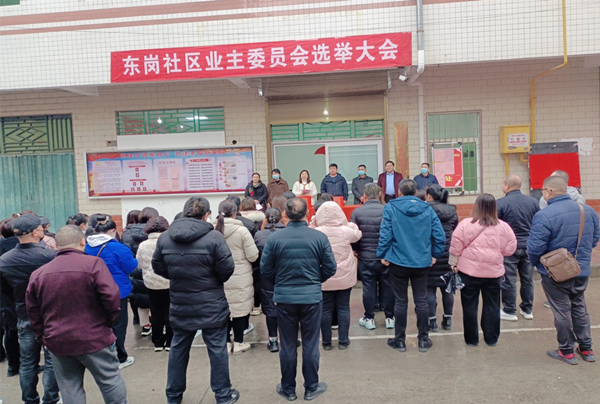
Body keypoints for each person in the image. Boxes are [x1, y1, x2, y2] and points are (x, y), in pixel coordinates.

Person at [25, 225, 127, 404]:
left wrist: (42, 337)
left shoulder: (38, 274)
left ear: (56, 245)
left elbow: (33, 311)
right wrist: (108, 322)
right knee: (109, 379)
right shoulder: (93, 264)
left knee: (69, 386)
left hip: (58, 339)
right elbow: (111, 297)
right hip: (94, 336)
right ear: (82, 241)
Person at [152, 196, 240, 404]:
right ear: (207, 215)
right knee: (217, 350)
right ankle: (223, 395)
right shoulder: (214, 237)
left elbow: (158, 266)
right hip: (211, 303)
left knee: (178, 349)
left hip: (180, 303)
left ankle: (173, 396)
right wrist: (212, 280)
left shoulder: (165, 238)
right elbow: (227, 268)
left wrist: (178, 277)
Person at [261, 198, 336, 401]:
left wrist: (280, 281)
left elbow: (265, 269)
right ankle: (311, 387)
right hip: (311, 297)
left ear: (285, 214)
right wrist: (315, 280)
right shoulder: (319, 237)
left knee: (287, 344)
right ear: (307, 214)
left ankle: (288, 388)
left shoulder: (275, 238)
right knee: (311, 343)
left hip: (285, 297)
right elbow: (331, 267)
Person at [527, 176, 600, 365]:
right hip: (581, 270)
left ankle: (566, 351)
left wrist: (536, 265)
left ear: (549, 192)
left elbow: (535, 248)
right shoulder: (587, 210)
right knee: (579, 307)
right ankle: (586, 348)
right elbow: (594, 239)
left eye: (543, 190)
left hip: (555, 272)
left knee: (562, 311)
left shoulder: (544, 215)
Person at [377, 179, 445, 353]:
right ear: (416, 192)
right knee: (421, 300)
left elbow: (385, 234)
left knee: (400, 301)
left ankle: (400, 340)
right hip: (421, 261)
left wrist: (382, 254)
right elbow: (439, 235)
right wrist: (435, 255)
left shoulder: (391, 207)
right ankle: (423, 339)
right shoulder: (427, 209)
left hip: (398, 261)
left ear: (399, 192)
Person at [0, 215, 60, 404]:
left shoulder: (5, 260)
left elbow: (5, 291)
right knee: (52, 361)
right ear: (35, 232)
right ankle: (50, 398)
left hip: (24, 313)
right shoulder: (50, 256)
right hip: (50, 314)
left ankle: (29, 399)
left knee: (27, 362)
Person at [449, 194, 517, 348]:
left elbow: (456, 246)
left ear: (477, 206)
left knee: (469, 306)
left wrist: (453, 263)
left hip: (469, 272)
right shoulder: (504, 227)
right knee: (492, 305)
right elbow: (510, 248)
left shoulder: (465, 224)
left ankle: (471, 339)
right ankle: (491, 338)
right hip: (494, 273)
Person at [85, 214, 138, 369]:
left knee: (98, 325)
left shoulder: (84, 246)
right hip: (116, 292)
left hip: (92, 292)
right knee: (118, 326)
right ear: (113, 230)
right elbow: (130, 266)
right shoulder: (118, 248)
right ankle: (120, 357)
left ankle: (99, 357)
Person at [314, 202, 362, 350]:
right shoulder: (345, 231)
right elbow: (358, 234)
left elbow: (309, 228)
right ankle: (343, 340)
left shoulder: (317, 232)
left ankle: (326, 342)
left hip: (324, 277)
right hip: (344, 277)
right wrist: (350, 225)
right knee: (343, 308)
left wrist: (314, 221)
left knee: (325, 310)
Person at [214, 200, 259, 355]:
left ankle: (226, 343)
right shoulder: (242, 231)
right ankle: (238, 342)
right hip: (240, 276)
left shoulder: (212, 230)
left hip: (218, 277)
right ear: (235, 213)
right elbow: (253, 256)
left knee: (223, 310)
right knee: (239, 309)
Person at [351, 183, 395, 330]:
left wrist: (356, 249)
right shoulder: (388, 210)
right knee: (388, 287)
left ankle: (369, 318)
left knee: (368, 289)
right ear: (379, 194)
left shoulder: (357, 213)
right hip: (386, 257)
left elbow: (354, 235)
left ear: (364, 196)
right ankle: (390, 318)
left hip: (366, 257)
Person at [496, 175, 540, 322]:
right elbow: (538, 223)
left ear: (507, 186)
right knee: (528, 279)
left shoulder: (500, 203)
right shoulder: (533, 202)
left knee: (509, 279)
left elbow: (495, 226)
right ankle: (527, 309)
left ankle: (509, 310)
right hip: (528, 246)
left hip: (509, 247)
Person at [137, 216, 172, 351]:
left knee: (155, 311)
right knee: (169, 311)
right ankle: (169, 341)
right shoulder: (169, 242)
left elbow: (139, 264)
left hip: (151, 283)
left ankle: (157, 342)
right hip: (168, 281)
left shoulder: (143, 245)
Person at [425, 184, 458, 332]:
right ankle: (448, 320)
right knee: (448, 289)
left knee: (430, 289)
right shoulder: (452, 210)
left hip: (430, 254)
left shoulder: (425, 210)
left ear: (429, 196)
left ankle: (432, 322)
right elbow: (455, 229)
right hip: (448, 254)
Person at [254, 208, 286, 352]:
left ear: (266, 219)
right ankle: (288, 338)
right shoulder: (287, 233)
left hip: (266, 276)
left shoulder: (259, 235)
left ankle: (273, 340)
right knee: (287, 308)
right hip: (286, 275)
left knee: (270, 309)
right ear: (281, 218)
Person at [0, 218, 20, 377]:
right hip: (21, 293)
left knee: (9, 330)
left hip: (4, 295)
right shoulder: (22, 247)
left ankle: (13, 365)